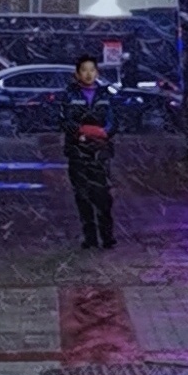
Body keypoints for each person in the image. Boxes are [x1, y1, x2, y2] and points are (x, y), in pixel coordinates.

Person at [58, 55, 116, 250]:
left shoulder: (105, 95)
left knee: (103, 195)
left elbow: (113, 121)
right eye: (84, 70)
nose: (89, 74)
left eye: (92, 70)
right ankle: (90, 237)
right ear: (77, 73)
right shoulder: (69, 95)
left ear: (97, 73)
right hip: (77, 152)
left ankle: (107, 237)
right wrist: (82, 132)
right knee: (83, 196)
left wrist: (103, 133)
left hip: (100, 152)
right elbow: (65, 120)